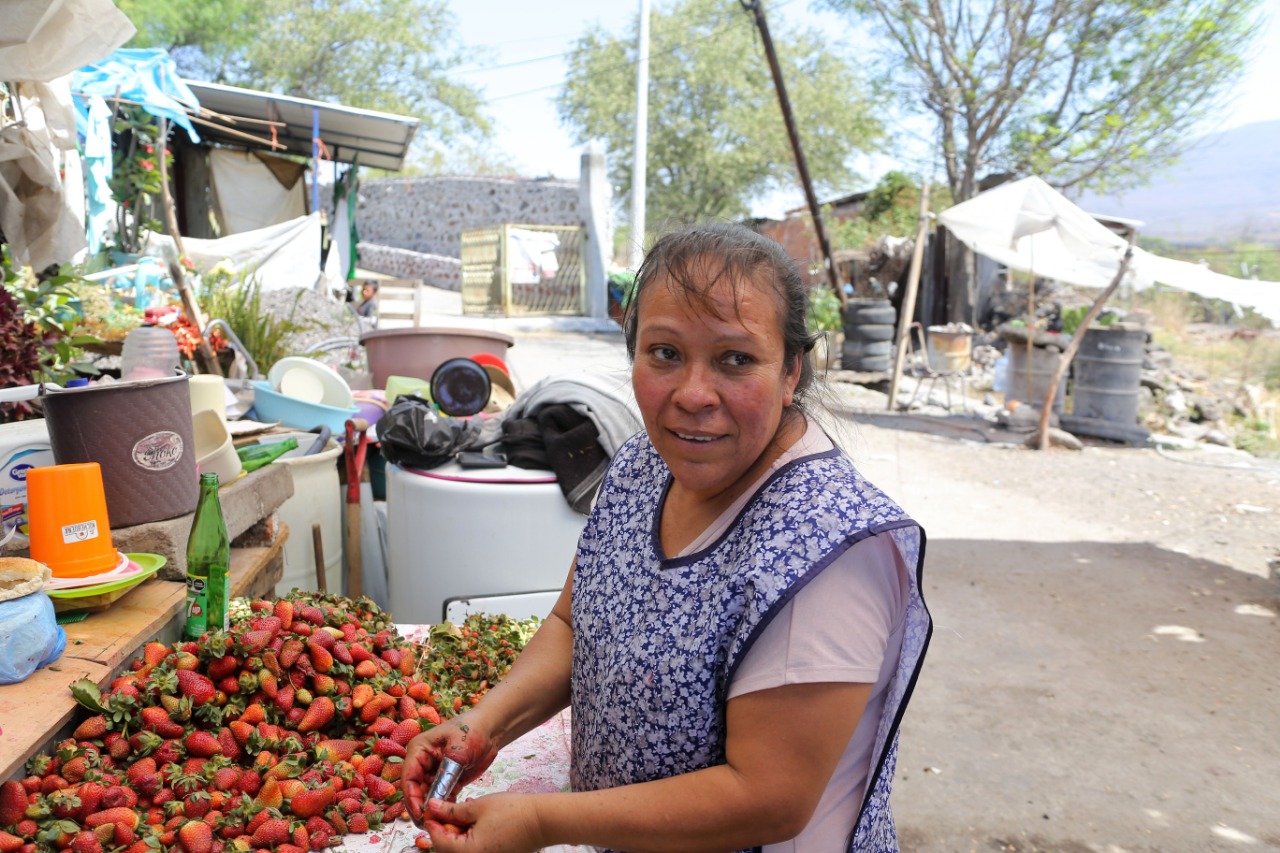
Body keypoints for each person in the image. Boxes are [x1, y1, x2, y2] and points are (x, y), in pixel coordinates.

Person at [404, 222, 931, 852]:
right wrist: (484, 724)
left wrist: (543, 821)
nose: (692, 394)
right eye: (665, 353)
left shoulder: (827, 548)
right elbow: (577, 624)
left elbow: (769, 797)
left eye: (736, 359)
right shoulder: (640, 465)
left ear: (791, 370)